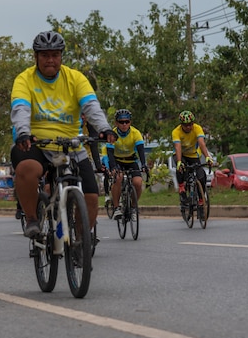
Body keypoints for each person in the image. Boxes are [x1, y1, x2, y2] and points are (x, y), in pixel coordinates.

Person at [11, 30, 116, 239]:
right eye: (45, 55)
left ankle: (79, 241)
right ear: (36, 57)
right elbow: (20, 108)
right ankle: (32, 218)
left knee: (92, 197)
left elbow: (91, 106)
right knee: (27, 168)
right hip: (36, 144)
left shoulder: (75, 78)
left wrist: (104, 128)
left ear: (61, 56)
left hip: (71, 145)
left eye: (55, 55)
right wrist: (23, 133)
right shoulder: (24, 79)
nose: (50, 60)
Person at [106, 109, 148, 221]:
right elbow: (109, 153)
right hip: (117, 161)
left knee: (138, 182)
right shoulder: (112, 134)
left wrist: (143, 164)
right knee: (118, 178)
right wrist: (113, 167)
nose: (124, 124)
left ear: (130, 122)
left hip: (131, 161)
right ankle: (116, 208)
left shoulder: (136, 133)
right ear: (116, 123)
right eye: (121, 122)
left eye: (127, 122)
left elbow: (140, 150)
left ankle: (134, 207)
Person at [172, 110, 214, 203]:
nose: (188, 127)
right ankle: (182, 188)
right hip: (180, 154)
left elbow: (201, 143)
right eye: (185, 125)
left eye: (190, 124)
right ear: (181, 124)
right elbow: (178, 147)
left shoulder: (197, 128)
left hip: (193, 155)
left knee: (201, 175)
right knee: (181, 167)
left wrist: (207, 156)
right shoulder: (176, 131)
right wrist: (179, 162)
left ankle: (201, 199)